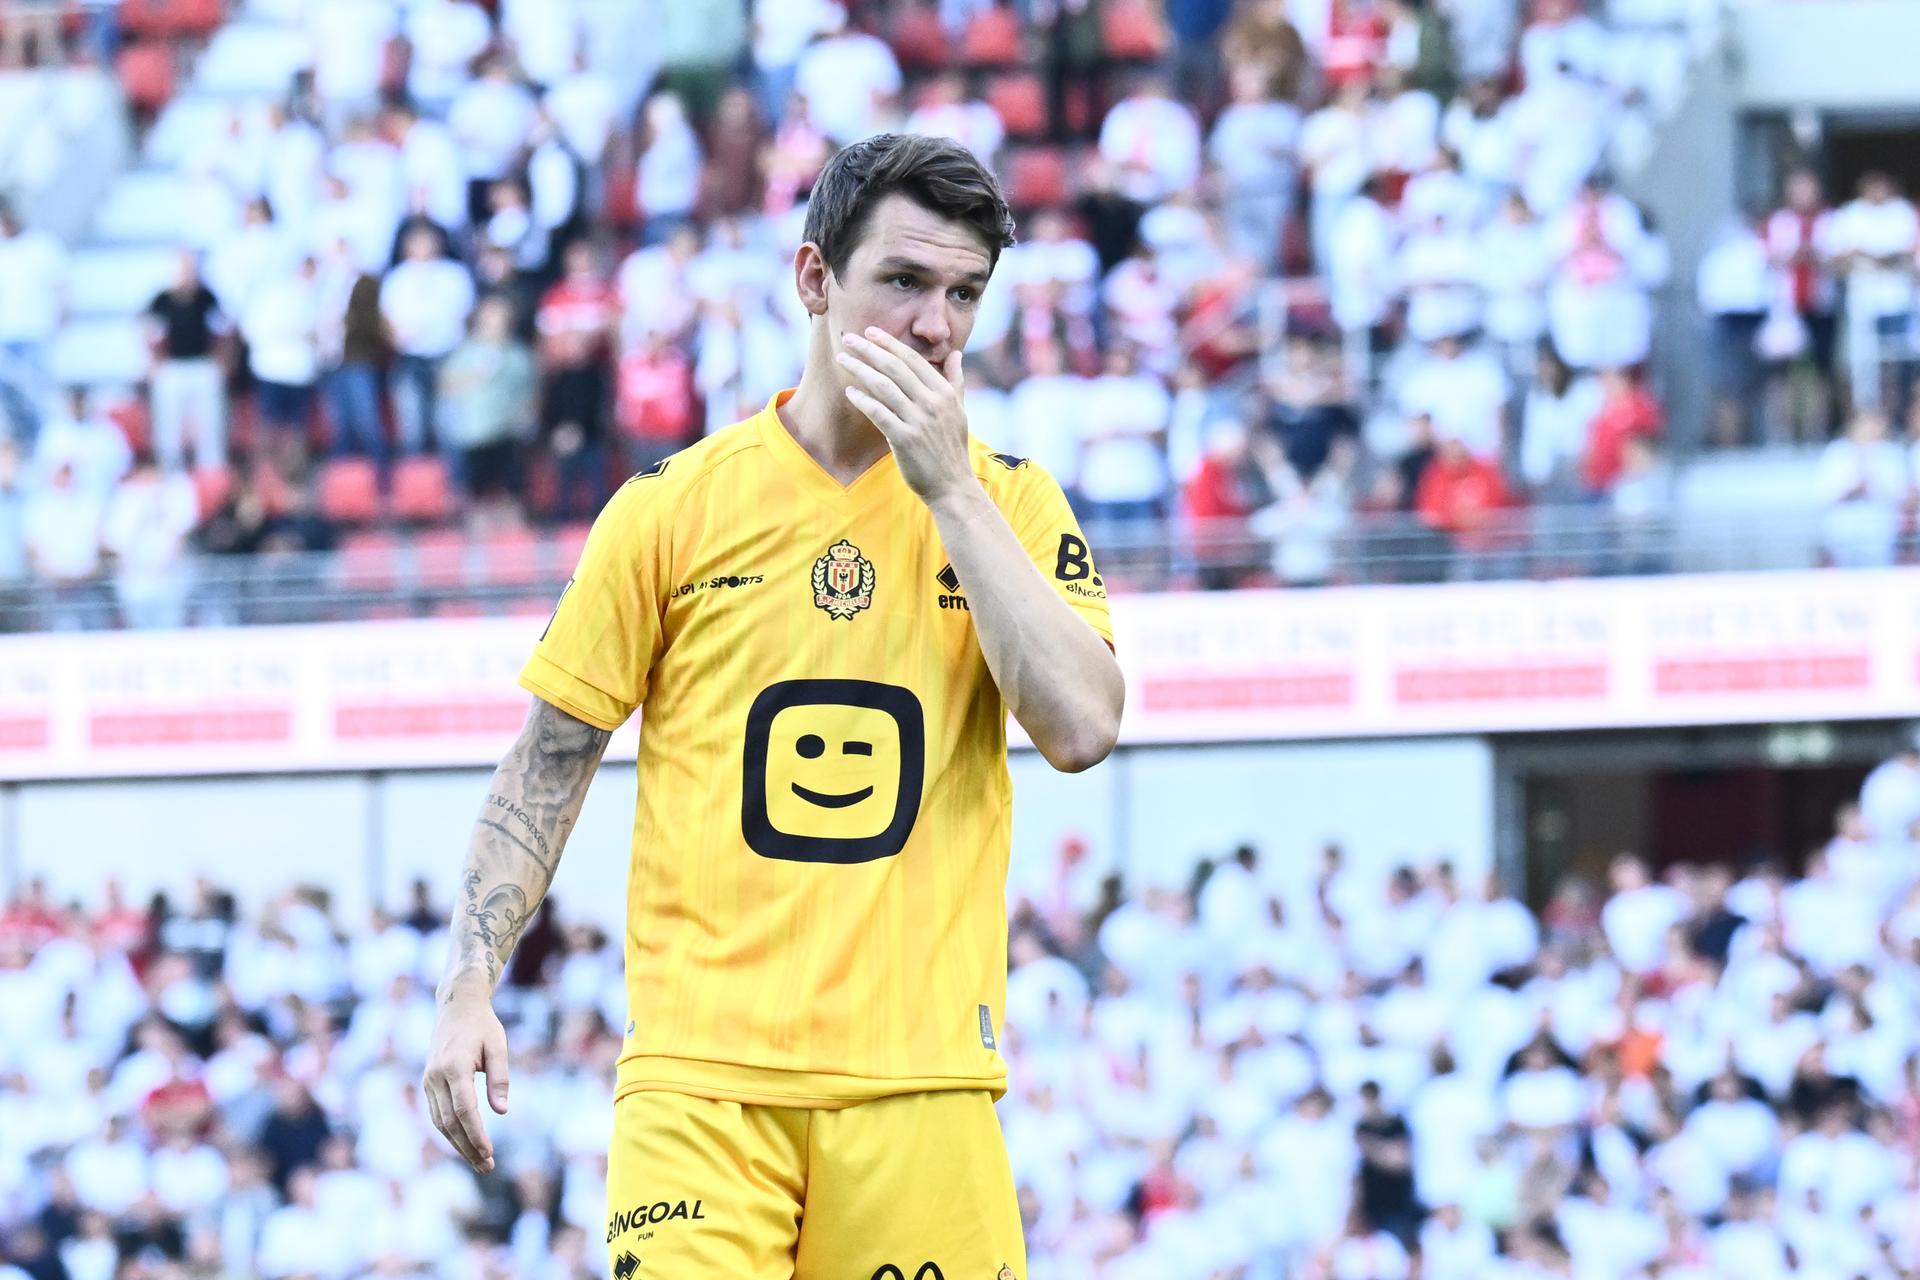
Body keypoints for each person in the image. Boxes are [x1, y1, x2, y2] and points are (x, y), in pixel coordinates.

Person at [421, 133, 1123, 1280]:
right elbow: (549, 759)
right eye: (902, 282)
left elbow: (1085, 727)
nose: (935, 325)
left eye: (963, 295)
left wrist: (947, 486)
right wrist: (465, 988)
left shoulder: (1011, 503)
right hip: (702, 1088)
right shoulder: (673, 509)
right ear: (813, 280)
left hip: (921, 1083)